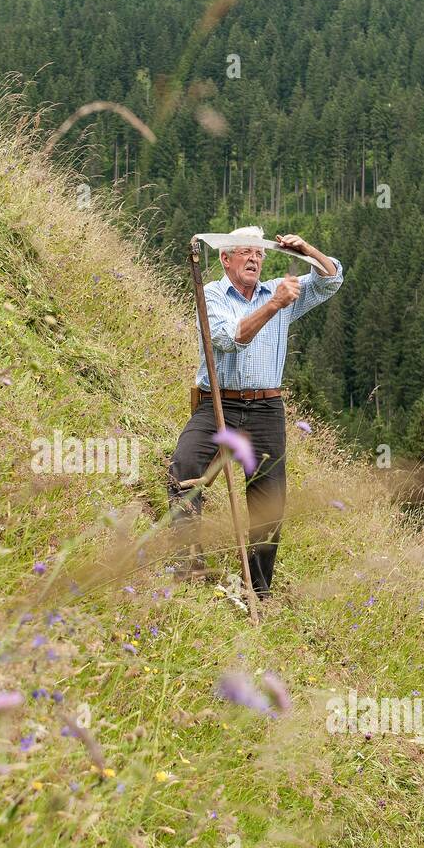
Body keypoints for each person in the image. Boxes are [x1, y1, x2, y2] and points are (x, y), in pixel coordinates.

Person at [168, 226, 343, 600]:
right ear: (225, 259)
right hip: (220, 401)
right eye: (244, 252)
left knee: (268, 499)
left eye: (259, 254)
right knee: (184, 467)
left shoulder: (279, 290)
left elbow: (331, 280)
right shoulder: (213, 293)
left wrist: (307, 249)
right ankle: (188, 562)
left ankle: (258, 590)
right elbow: (229, 339)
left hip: (266, 407)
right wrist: (274, 305)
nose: (253, 259)